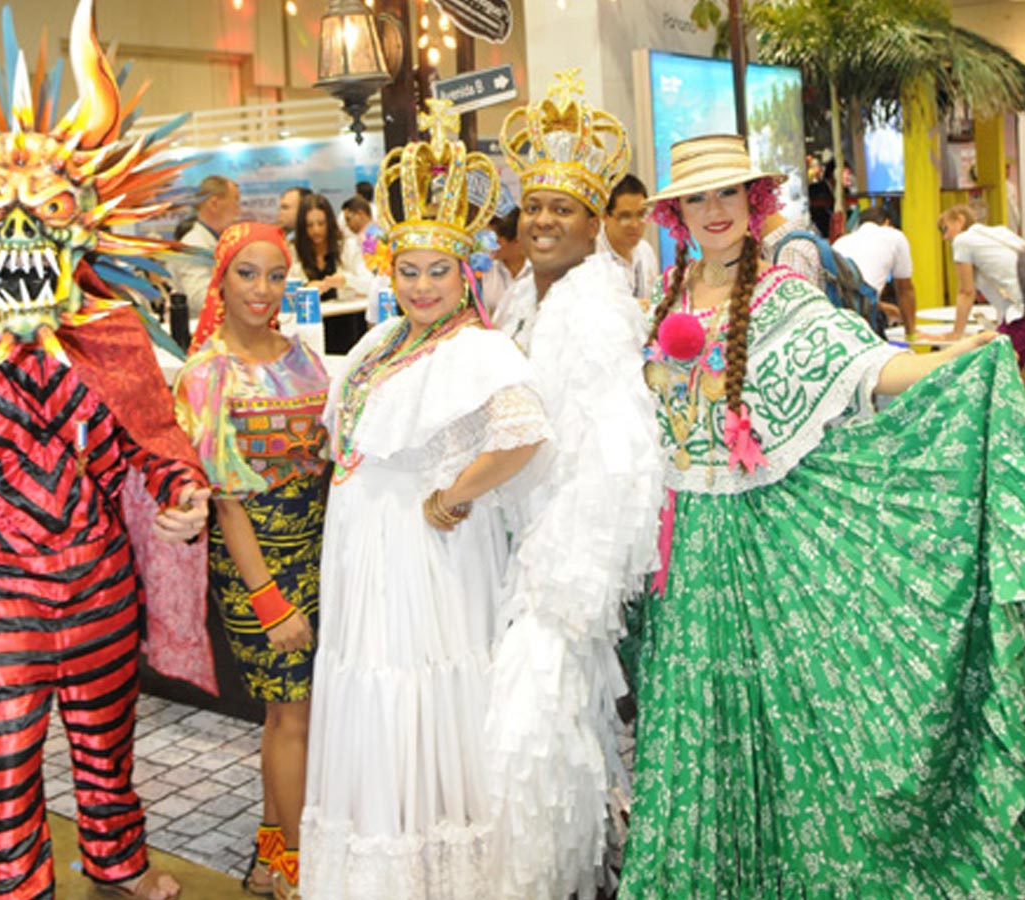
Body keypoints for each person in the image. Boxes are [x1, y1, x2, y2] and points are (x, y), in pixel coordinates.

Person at [621, 133, 1025, 899]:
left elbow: (869, 371)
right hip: (683, 556)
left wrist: (965, 357)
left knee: (786, 726)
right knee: (693, 727)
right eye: (699, 197)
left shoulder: (782, 295)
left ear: (754, 202)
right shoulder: (664, 294)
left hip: (764, 549)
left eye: (730, 194)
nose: (715, 210)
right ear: (677, 211)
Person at [0, 3, 218, 898]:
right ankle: (12, 885)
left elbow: (156, 447)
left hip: (100, 580)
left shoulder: (112, 337)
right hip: (0, 591)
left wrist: (180, 494)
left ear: (85, 221)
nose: (20, 225)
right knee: (7, 754)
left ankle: (118, 862)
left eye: (48, 204)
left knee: (107, 744)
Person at [301, 99, 551, 900]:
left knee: (427, 688)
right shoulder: (381, 340)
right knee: (371, 686)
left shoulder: (479, 346)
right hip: (363, 546)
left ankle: (448, 873)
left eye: (437, 271)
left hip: (426, 558)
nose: (421, 286)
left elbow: (523, 433)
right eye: (407, 271)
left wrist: (454, 495)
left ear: (466, 272)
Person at [487, 70, 662, 900]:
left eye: (565, 208)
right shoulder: (523, 296)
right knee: (545, 742)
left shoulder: (596, 306)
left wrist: (571, 585)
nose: (547, 221)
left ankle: (553, 883)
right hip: (514, 546)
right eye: (537, 208)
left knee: (539, 729)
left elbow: (624, 455)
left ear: (597, 223)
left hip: (562, 567)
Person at [174, 222, 329, 900]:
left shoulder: (299, 355)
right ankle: (298, 869)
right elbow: (227, 500)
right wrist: (269, 600)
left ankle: (270, 859)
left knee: (285, 714)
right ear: (222, 277)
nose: (263, 290)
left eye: (275, 276)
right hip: (256, 562)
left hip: (317, 547)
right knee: (293, 714)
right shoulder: (206, 372)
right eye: (248, 274)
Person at [934, 203, 1025, 432]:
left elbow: (966, 292)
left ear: (959, 220)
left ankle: (999, 436)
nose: (945, 237)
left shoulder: (963, 241)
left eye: (945, 229)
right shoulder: (1001, 233)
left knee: (991, 373)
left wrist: (955, 333)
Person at [289, 192, 372, 353]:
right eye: (309, 225)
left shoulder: (347, 247)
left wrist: (346, 280)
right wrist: (305, 288)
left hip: (348, 326)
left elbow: (370, 284)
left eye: (321, 223)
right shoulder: (294, 252)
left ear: (330, 222)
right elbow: (285, 294)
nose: (316, 230)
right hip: (309, 332)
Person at [833, 204, 917, 335]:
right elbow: (904, 289)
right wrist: (911, 332)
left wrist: (884, 307)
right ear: (887, 222)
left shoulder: (841, 242)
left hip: (834, 313)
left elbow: (850, 289)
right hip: (863, 317)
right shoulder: (894, 235)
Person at [170, 175, 242, 314]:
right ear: (214, 203)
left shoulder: (216, 241)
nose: (239, 211)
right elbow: (199, 299)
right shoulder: (193, 245)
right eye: (235, 202)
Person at [599, 173, 659, 308]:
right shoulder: (590, 256)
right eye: (625, 217)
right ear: (605, 216)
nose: (635, 225)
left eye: (641, 215)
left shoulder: (646, 251)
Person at [478, 207, 529, 317]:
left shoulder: (539, 270)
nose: (488, 246)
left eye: (495, 241)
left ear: (516, 240)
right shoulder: (486, 268)